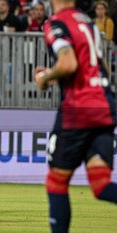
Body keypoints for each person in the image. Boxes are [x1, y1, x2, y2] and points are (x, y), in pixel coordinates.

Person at [34, 0, 117, 232]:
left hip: (78, 108)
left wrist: (45, 77)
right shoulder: (87, 22)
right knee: (100, 185)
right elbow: (103, 67)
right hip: (104, 103)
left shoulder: (56, 22)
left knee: (56, 182)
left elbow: (68, 63)